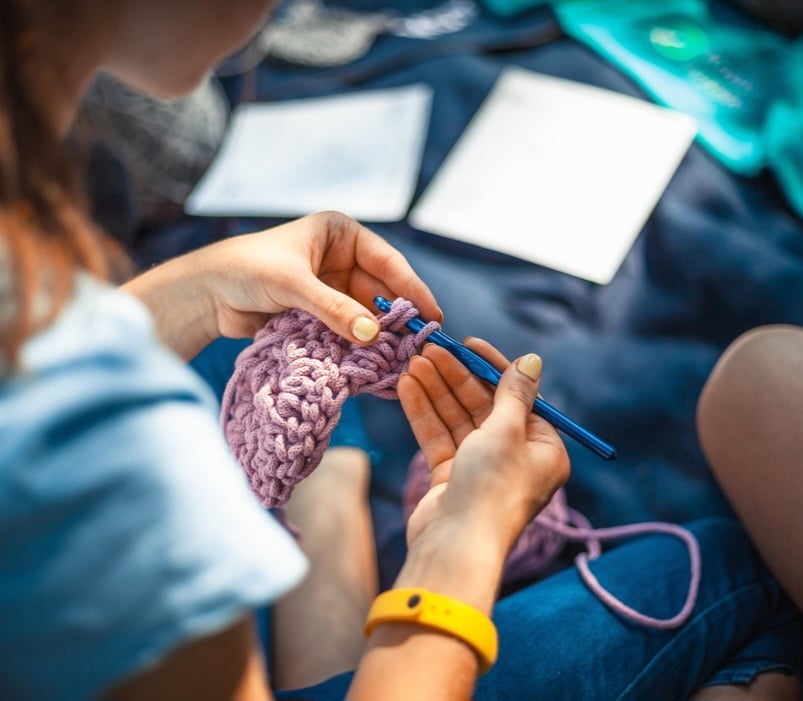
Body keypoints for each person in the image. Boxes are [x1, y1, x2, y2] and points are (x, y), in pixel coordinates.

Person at [0, 1, 800, 700]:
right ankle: (329, 550)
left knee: (236, 344)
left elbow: (42, 372)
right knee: (736, 574)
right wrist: (457, 554)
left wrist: (190, 289)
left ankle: (323, 505)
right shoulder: (96, 445)